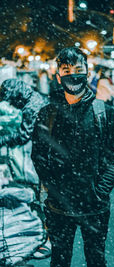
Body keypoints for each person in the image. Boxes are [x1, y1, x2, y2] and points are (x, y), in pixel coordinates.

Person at [31, 47, 114, 267]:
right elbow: (39, 157)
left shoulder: (104, 112)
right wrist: (54, 190)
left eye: (78, 69)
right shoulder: (48, 113)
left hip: (95, 208)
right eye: (66, 69)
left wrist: (99, 192)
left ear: (87, 72)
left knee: (96, 259)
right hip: (59, 208)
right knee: (60, 259)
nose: (73, 74)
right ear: (58, 75)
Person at [0, 79, 51, 260]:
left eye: (11, 99)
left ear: (16, 94)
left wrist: (3, 139)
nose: (12, 103)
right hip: (50, 154)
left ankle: (45, 240)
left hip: (44, 157)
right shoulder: (36, 98)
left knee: (41, 197)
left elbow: (24, 134)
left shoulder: (31, 107)